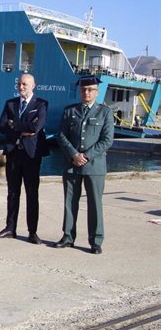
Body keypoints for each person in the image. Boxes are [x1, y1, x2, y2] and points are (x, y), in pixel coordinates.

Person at [55, 75, 114, 254]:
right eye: (83, 90)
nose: (86, 93)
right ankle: (68, 236)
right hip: (72, 164)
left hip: (94, 166)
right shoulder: (70, 111)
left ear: (96, 92)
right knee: (69, 202)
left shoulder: (105, 112)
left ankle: (95, 241)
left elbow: (107, 140)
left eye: (90, 90)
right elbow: (61, 135)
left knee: (95, 203)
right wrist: (73, 154)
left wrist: (85, 156)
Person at [0, 74, 49, 243]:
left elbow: (36, 127)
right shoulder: (10, 103)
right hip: (13, 153)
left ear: (33, 85)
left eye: (25, 84)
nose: (21, 86)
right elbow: (2, 126)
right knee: (12, 193)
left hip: (31, 154)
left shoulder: (41, 104)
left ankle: (32, 231)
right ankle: (10, 228)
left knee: (32, 193)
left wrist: (14, 124)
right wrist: (22, 129)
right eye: (19, 83)